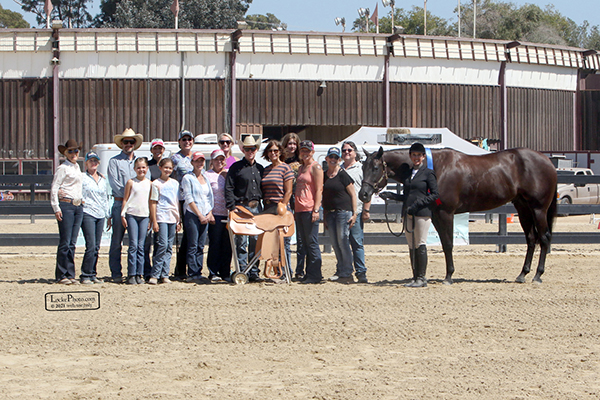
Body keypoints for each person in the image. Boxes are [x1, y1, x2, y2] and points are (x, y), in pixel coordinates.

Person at [380, 142, 439, 288]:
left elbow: (435, 195)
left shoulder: (428, 173)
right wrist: (393, 196)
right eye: (414, 155)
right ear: (410, 156)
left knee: (420, 243)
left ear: (424, 157)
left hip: (422, 213)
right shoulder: (408, 174)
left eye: (419, 155)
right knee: (411, 245)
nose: (416, 157)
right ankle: (414, 276)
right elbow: (407, 195)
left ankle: (422, 277)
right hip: (408, 212)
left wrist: (418, 204)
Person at [225, 134, 264, 282]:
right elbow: (228, 187)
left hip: (257, 207)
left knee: (256, 240)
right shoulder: (235, 168)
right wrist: (232, 207)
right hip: (241, 207)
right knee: (241, 241)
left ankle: (254, 271)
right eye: (247, 149)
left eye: (252, 148)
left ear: (256, 149)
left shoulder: (260, 168)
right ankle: (242, 270)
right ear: (243, 150)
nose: (250, 151)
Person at [107, 128, 144, 283]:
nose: (128, 144)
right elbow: (115, 185)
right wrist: (131, 194)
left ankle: (137, 272)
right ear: (121, 143)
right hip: (119, 203)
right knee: (117, 240)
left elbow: (145, 183)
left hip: (137, 206)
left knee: (139, 242)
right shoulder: (114, 162)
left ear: (135, 144)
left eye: (131, 142)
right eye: (125, 142)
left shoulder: (141, 163)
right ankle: (116, 272)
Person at [51, 139, 84, 285]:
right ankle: (61, 274)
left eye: (75, 151)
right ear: (65, 153)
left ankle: (70, 273)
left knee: (72, 242)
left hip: (77, 205)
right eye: (70, 151)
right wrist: (56, 207)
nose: (73, 154)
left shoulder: (77, 168)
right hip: (66, 205)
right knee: (65, 241)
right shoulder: (62, 168)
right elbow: (54, 187)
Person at [323, 147, 357, 284]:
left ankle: (347, 271)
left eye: (336, 157)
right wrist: (324, 214)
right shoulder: (324, 175)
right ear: (327, 159)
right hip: (330, 213)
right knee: (335, 243)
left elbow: (353, 194)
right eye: (331, 157)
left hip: (343, 212)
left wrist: (355, 213)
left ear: (339, 160)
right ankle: (340, 269)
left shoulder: (343, 175)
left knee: (343, 241)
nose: (333, 159)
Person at [261, 140, 294, 276]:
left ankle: (287, 271)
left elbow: (288, 191)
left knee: (283, 241)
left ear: (280, 152)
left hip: (280, 206)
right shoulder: (266, 169)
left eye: (275, 150)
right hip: (267, 207)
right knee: (270, 242)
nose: (273, 153)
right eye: (270, 151)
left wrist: (283, 206)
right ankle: (275, 270)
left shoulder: (286, 168)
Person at [341, 140, 370, 283]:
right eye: (344, 150)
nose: (347, 152)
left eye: (349, 150)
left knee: (357, 242)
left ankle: (361, 272)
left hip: (356, 211)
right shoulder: (339, 169)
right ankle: (343, 270)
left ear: (355, 153)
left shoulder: (361, 169)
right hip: (341, 212)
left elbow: (367, 192)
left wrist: (366, 209)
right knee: (342, 243)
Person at [294, 140, 324, 284]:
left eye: (307, 151)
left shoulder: (315, 167)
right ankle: (308, 272)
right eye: (302, 150)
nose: (304, 153)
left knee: (312, 242)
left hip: (309, 208)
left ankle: (315, 274)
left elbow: (319, 189)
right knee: (304, 243)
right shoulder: (301, 168)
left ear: (312, 152)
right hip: (299, 209)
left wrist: (316, 209)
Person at [182, 151, 214, 283]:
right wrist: (199, 215)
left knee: (201, 245)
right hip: (193, 214)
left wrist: (209, 213)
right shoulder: (187, 178)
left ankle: (199, 271)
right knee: (193, 244)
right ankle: (192, 272)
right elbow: (188, 198)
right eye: (197, 161)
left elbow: (209, 197)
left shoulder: (205, 178)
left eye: (201, 161)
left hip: (205, 213)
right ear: (192, 163)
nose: (200, 163)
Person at [148, 158, 180, 285]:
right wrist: (154, 220)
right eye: (165, 167)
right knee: (161, 245)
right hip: (161, 216)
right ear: (160, 168)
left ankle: (165, 274)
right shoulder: (156, 184)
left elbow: (176, 202)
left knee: (169, 247)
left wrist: (179, 220)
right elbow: (153, 202)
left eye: (170, 168)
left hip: (173, 217)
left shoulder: (175, 184)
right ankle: (155, 274)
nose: (167, 170)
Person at [80, 151, 110, 284]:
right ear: (86, 162)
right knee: (91, 245)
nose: (93, 163)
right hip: (88, 212)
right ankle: (85, 274)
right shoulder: (82, 177)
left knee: (97, 246)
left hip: (100, 214)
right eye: (91, 161)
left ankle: (92, 273)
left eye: (95, 161)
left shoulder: (103, 180)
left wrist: (108, 214)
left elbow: (105, 198)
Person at [121, 157, 152, 285]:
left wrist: (151, 218)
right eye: (138, 168)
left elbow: (151, 202)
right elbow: (125, 199)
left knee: (141, 245)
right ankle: (131, 274)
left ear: (147, 168)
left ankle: (140, 273)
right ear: (134, 169)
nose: (141, 170)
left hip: (144, 216)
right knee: (133, 245)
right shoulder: (131, 182)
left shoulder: (150, 184)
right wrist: (123, 215)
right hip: (132, 214)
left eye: (143, 167)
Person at [206, 149, 232, 282]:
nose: (219, 162)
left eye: (222, 159)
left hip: (227, 214)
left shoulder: (228, 174)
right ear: (212, 161)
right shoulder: (207, 175)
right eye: (217, 159)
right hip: (214, 213)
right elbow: (205, 195)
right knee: (215, 243)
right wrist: (209, 212)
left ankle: (225, 272)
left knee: (227, 244)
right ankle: (213, 271)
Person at [171, 130, 195, 279]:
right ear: (179, 141)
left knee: (190, 235)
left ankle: (185, 267)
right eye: (184, 139)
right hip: (180, 198)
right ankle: (180, 268)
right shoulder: (175, 158)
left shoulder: (196, 156)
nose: (187, 142)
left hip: (193, 199)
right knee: (185, 235)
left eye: (189, 139)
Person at [281, 132, 304, 278]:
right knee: (285, 237)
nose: (292, 146)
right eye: (289, 143)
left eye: (294, 144)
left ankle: (300, 270)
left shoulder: (301, 162)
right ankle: (285, 269)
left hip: (299, 200)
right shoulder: (280, 161)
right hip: (284, 200)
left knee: (301, 238)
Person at [144, 138, 165, 280]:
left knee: (160, 242)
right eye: (155, 148)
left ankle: (158, 271)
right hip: (147, 204)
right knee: (146, 241)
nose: (158, 151)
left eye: (160, 148)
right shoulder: (148, 165)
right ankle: (146, 270)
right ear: (151, 150)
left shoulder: (167, 165)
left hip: (162, 207)